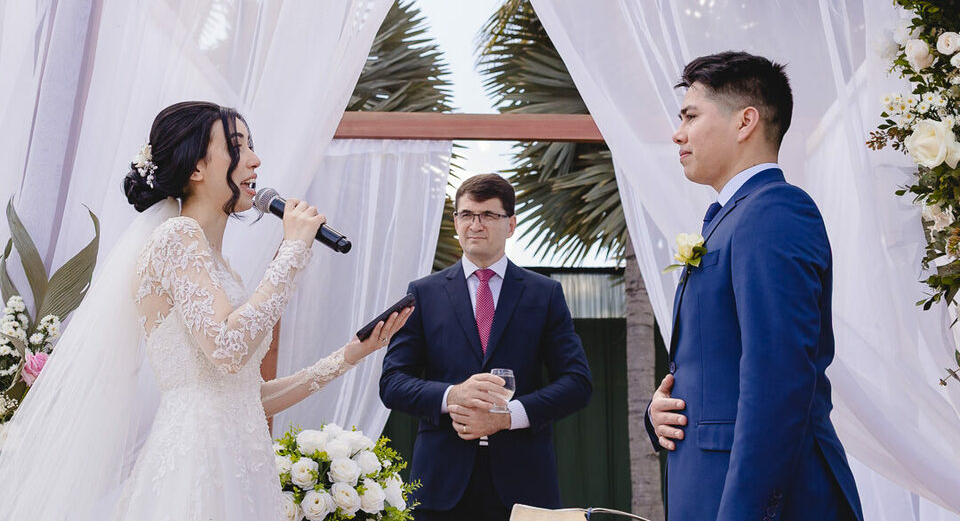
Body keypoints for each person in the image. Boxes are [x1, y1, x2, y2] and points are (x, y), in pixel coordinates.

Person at [0, 101, 411, 520]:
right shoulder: (176, 237)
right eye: (237, 146)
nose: (255, 159)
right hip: (196, 464)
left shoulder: (221, 266)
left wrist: (349, 356)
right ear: (196, 167)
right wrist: (292, 252)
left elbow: (246, 397)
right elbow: (228, 349)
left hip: (241, 464)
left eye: (251, 145)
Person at [644, 52, 863, 520]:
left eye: (690, 116)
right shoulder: (734, 217)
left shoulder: (774, 211)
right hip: (708, 490)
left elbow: (778, 380)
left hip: (755, 503)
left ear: (745, 122)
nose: (678, 133)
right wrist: (659, 413)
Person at [379, 173, 592, 521]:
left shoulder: (545, 294)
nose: (475, 225)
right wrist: (453, 395)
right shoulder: (423, 293)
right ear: (455, 222)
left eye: (488, 215)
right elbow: (392, 383)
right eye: (467, 214)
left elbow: (577, 383)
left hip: (525, 488)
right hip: (439, 487)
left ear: (511, 225)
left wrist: (507, 418)